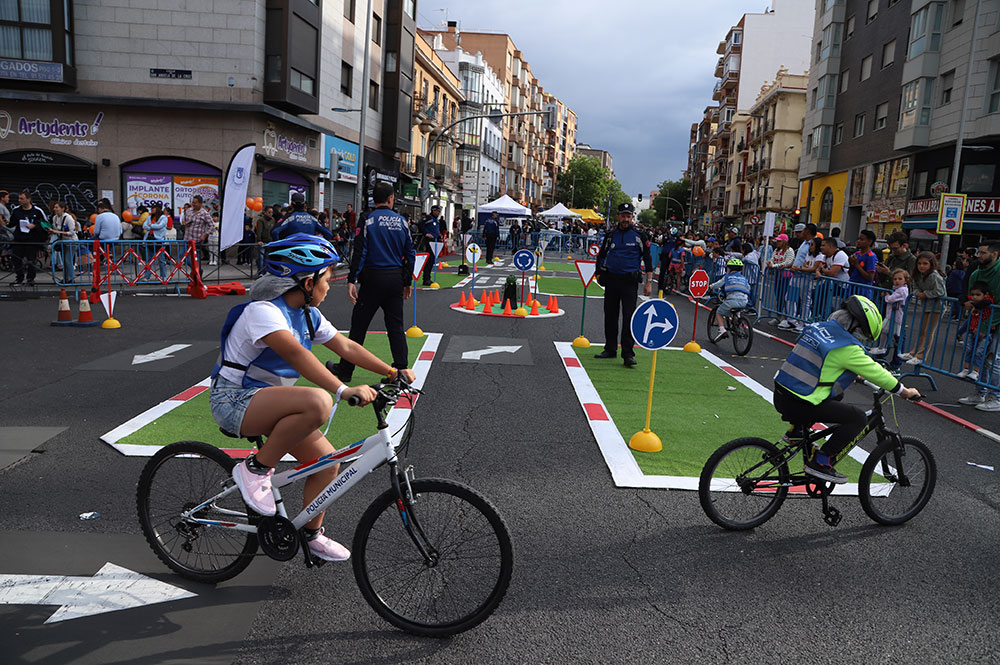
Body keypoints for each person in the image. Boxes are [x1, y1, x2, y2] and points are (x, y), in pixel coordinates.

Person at [212, 233, 414, 562]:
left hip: (270, 401)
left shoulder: (308, 315)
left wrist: (393, 373)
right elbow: (295, 355)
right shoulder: (263, 312)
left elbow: (346, 347)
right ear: (307, 281)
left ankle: (310, 533)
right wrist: (343, 389)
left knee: (327, 463)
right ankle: (255, 469)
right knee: (319, 402)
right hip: (233, 400)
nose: (330, 283)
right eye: (328, 276)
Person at [773, 295, 921, 483]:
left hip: (782, 392)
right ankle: (821, 461)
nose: (860, 338)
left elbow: (818, 362)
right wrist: (904, 391)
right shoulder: (847, 347)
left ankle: (797, 430)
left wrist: (844, 372)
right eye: (862, 333)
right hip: (799, 403)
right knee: (858, 417)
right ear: (854, 325)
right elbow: (875, 371)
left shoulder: (819, 328)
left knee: (837, 393)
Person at [332, 181, 416, 382]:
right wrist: (407, 282)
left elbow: (360, 252)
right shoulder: (402, 222)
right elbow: (410, 254)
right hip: (395, 279)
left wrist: (352, 279)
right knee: (396, 326)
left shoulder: (367, 220)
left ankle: (345, 370)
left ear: (374, 199)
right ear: (390, 199)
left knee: (359, 325)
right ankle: (401, 371)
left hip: (372, 278)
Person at [594, 202, 653, 367]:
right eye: (623, 216)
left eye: (628, 216)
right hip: (612, 280)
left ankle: (628, 354)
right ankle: (610, 349)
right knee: (610, 316)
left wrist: (649, 282)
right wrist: (598, 273)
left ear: (632, 217)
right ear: (618, 217)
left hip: (630, 282)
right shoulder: (610, 235)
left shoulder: (640, 235)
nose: (625, 219)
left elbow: (648, 259)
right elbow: (601, 255)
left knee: (629, 318)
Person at [900, 251, 945, 365]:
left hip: (937, 307)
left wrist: (925, 294)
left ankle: (921, 356)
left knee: (928, 331)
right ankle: (913, 352)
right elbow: (915, 287)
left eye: (925, 263)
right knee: (922, 330)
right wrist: (918, 293)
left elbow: (940, 291)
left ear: (931, 264)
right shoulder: (918, 275)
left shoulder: (934, 276)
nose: (922, 266)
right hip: (926, 305)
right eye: (919, 263)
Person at [956, 281, 994, 381]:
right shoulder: (973, 300)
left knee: (979, 352)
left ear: (985, 295)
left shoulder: (988, 301)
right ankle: (966, 368)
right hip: (971, 329)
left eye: (978, 295)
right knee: (968, 349)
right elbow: (961, 296)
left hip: (985, 332)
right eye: (973, 294)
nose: (975, 297)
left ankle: (976, 371)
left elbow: (988, 302)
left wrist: (975, 306)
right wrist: (966, 302)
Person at [870, 268, 910, 361]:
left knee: (888, 331)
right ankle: (882, 348)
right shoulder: (898, 289)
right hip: (892, 316)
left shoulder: (902, 290)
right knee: (885, 331)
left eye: (900, 279)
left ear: (905, 280)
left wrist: (887, 295)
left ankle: (882, 348)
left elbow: (890, 299)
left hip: (895, 316)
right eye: (895, 279)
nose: (897, 281)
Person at [11, 190, 48, 285]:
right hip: (19, 239)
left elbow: (45, 224)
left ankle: (30, 278)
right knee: (16, 259)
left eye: (22, 198)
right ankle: (19, 278)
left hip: (32, 240)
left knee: (31, 260)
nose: (19, 200)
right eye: (19, 198)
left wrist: (35, 225)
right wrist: (6, 222)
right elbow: (12, 223)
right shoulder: (16, 211)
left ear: (28, 199)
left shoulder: (37, 211)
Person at [709, 258, 751, 342]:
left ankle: (722, 330)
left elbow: (718, 284)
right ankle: (738, 322)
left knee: (719, 312)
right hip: (744, 300)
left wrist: (710, 286)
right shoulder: (743, 278)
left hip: (732, 300)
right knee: (737, 309)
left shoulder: (727, 277)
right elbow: (748, 288)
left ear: (729, 269)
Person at [142, 202, 170, 281]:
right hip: (149, 239)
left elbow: (160, 226)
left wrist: (151, 226)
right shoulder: (150, 217)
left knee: (161, 260)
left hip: (159, 241)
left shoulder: (163, 217)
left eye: (153, 208)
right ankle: (147, 276)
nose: (151, 210)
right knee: (148, 260)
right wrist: (152, 226)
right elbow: (144, 225)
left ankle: (163, 276)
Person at [181, 195, 213, 262]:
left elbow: (212, 226)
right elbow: (184, 220)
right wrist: (185, 223)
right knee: (182, 255)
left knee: (195, 259)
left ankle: (196, 271)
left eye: (195, 203)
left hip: (197, 239)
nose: (193, 204)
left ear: (200, 204)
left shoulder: (204, 213)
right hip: (187, 238)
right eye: (193, 202)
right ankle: (194, 268)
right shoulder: (188, 211)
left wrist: (205, 234)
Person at [848, 229, 878, 297]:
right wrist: (851, 263)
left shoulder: (871, 257)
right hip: (852, 287)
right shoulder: (856, 254)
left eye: (861, 239)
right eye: (858, 239)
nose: (858, 241)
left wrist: (856, 264)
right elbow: (851, 272)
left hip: (863, 291)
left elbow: (870, 278)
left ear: (869, 242)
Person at [419, 205, 441, 286]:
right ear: (433, 210)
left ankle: (428, 277)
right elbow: (420, 224)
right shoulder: (428, 218)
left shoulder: (435, 220)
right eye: (437, 211)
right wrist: (425, 233)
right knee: (429, 260)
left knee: (431, 260)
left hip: (435, 241)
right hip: (429, 241)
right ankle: (426, 278)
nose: (438, 213)